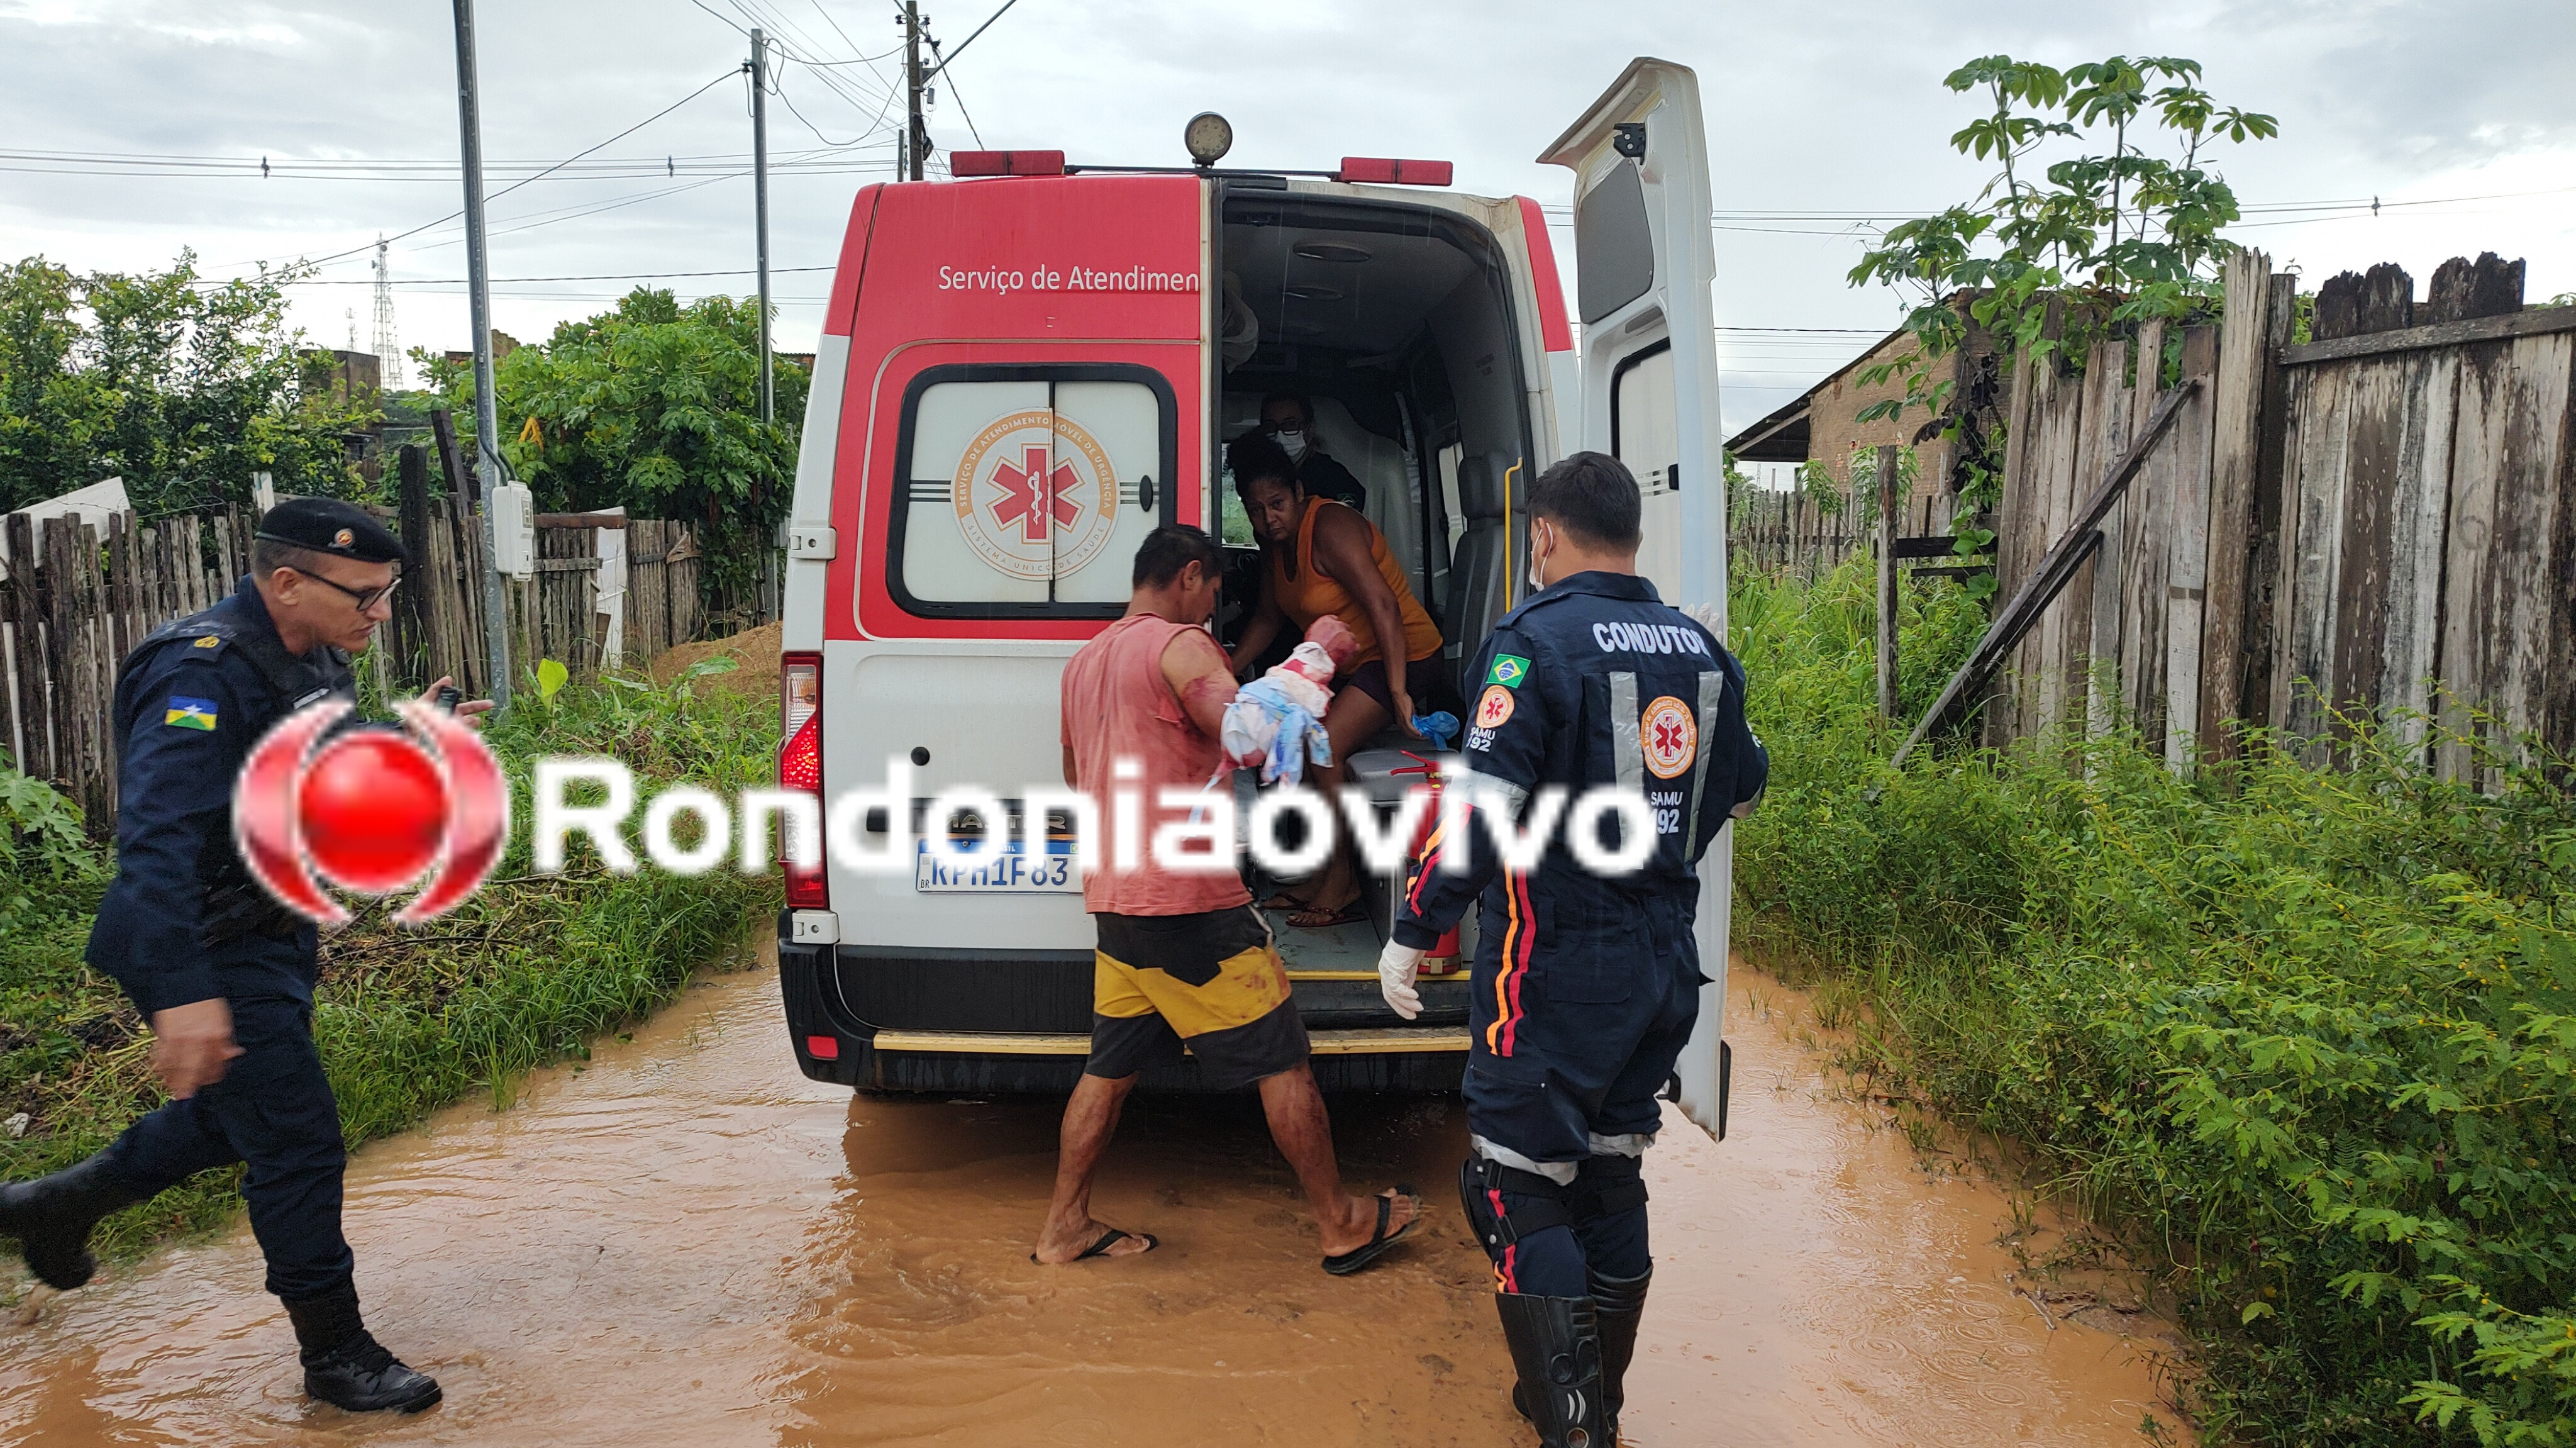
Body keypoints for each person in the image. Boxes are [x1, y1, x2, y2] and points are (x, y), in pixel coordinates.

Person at [0, 498, 490, 1416]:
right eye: (368, 595)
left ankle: (55, 1204)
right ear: (289, 581)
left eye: (387, 595)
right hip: (200, 941)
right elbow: (155, 843)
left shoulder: (315, 658)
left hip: (272, 930)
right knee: (298, 1138)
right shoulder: (200, 673)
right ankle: (336, 1353)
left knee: (238, 1118)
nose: (380, 613)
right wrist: (184, 994)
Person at [1376, 453, 1766, 1448]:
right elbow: (1746, 785)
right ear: (1632, 533)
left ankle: (1575, 1428)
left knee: (1510, 1182)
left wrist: (1416, 927)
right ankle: (1598, 1404)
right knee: (1605, 1175)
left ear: (1543, 535)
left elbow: (1480, 817)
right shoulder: (1700, 650)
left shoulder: (1530, 642)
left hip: (1553, 965)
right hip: (1661, 966)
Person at [1038, 523, 1420, 1274]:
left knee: (1107, 1071)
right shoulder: (1179, 647)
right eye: (1214, 592)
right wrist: (1315, 654)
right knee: (1284, 1061)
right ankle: (1341, 1222)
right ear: (1188, 576)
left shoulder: (1083, 663)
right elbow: (1248, 733)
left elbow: (1072, 773)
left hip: (1115, 899)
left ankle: (1064, 1227)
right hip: (1186, 902)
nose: (1215, 610)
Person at [1224, 432, 1443, 928]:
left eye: (1276, 504)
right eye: (1256, 510)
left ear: (1298, 492)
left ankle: (1341, 882)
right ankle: (1324, 871)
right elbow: (1266, 619)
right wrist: (1226, 672)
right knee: (1297, 751)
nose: (1268, 519)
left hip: (1408, 655)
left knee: (1323, 745)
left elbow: (1382, 604)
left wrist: (1399, 690)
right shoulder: (1274, 547)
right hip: (1354, 668)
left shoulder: (1331, 525)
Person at [1258, 392, 1365, 510]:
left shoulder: (1334, 479)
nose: (1279, 434)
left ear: (1310, 430)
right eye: (1270, 426)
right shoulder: (1262, 476)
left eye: (1291, 424)